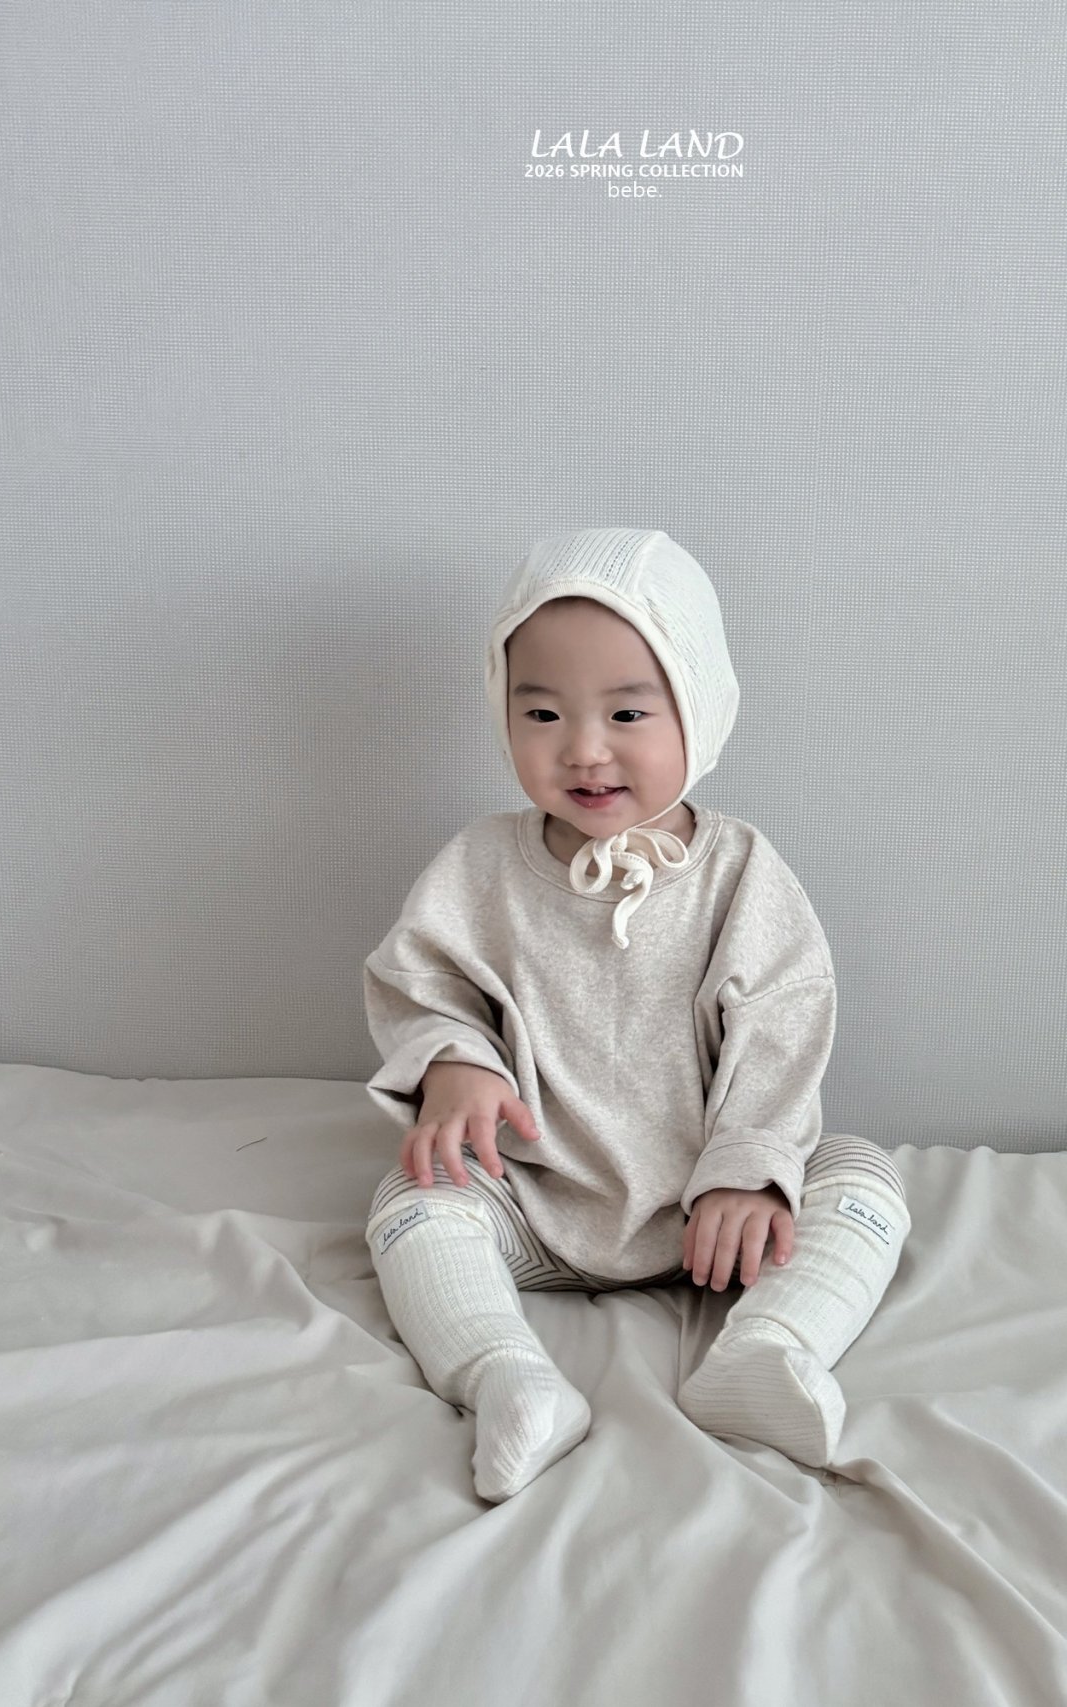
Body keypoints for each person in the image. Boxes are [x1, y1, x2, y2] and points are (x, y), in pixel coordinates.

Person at [362, 526, 911, 1503]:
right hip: (531, 1199)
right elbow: (422, 983)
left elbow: (781, 1028)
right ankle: (507, 1378)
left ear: (696, 708)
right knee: (411, 1200)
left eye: (626, 711)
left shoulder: (738, 873)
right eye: (541, 712)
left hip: (711, 1224)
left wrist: (748, 1172)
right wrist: (454, 1061)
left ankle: (769, 1350)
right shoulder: (479, 868)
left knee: (860, 1175)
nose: (583, 749)